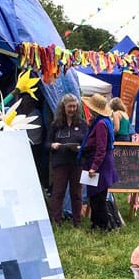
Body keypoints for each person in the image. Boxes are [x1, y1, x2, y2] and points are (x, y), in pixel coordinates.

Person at [79, 94, 119, 230]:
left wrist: (94, 167)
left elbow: (101, 148)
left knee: (98, 197)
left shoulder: (101, 124)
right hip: (99, 163)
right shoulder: (102, 121)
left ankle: (103, 225)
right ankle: (96, 223)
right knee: (95, 195)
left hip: (99, 165)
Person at [47, 94, 86, 227]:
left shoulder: (81, 124)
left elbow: (88, 143)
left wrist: (81, 147)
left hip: (77, 163)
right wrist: (52, 145)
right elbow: (47, 143)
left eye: (75, 106)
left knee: (76, 193)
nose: (72, 109)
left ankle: (77, 222)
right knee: (58, 192)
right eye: (70, 106)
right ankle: (56, 221)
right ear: (63, 107)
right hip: (60, 163)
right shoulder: (56, 124)